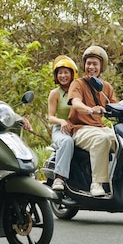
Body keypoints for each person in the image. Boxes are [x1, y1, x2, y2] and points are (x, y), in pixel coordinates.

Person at [67, 46, 117, 197]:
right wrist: (90, 110)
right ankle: (97, 183)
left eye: (95, 64)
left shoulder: (106, 87)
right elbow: (75, 103)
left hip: (99, 128)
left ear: (101, 67)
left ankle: (118, 180)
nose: (91, 67)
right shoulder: (78, 84)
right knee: (101, 140)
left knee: (122, 141)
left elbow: (116, 107)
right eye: (88, 63)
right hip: (80, 129)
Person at [47, 55, 78, 191]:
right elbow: (50, 117)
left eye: (66, 72)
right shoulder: (55, 93)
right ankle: (59, 178)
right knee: (67, 142)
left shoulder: (78, 90)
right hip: (61, 130)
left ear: (72, 74)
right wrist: (62, 121)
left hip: (78, 128)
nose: (63, 75)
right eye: (60, 73)